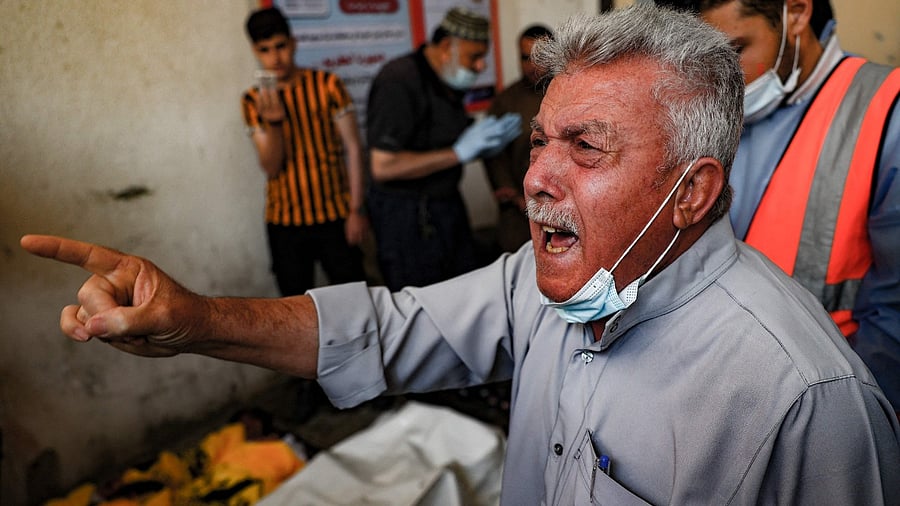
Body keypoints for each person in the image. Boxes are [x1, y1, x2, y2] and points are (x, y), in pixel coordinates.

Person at [21, 5, 900, 504]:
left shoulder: (807, 404)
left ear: (693, 192)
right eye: (540, 140)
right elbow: (391, 327)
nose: (535, 178)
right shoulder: (542, 283)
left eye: (586, 148)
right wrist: (195, 321)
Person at [653, 0, 900, 416]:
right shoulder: (704, 116)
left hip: (830, 405)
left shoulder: (884, 112)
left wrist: (850, 424)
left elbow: (894, 319)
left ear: (797, 14)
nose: (717, 80)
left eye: (733, 52)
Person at [365, 6, 521, 291]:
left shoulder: (448, 81)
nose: (480, 67)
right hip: (406, 219)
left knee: (462, 290)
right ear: (447, 47)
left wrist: (481, 144)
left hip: (446, 206)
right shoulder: (398, 80)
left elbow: (440, 135)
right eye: (474, 57)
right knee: (419, 303)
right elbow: (383, 167)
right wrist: (457, 153)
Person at [241, 7, 368, 297]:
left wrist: (356, 209)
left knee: (354, 297)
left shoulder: (327, 85)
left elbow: (353, 147)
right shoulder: (253, 100)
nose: (276, 58)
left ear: (293, 42)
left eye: (281, 46)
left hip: (335, 214)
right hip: (285, 220)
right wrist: (274, 123)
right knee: (294, 306)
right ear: (255, 51)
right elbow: (271, 167)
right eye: (265, 50)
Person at [483, 24, 553, 253]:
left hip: (562, 202)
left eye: (539, 57)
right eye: (525, 57)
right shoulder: (506, 102)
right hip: (518, 210)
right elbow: (493, 156)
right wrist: (513, 194)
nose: (532, 65)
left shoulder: (569, 93)